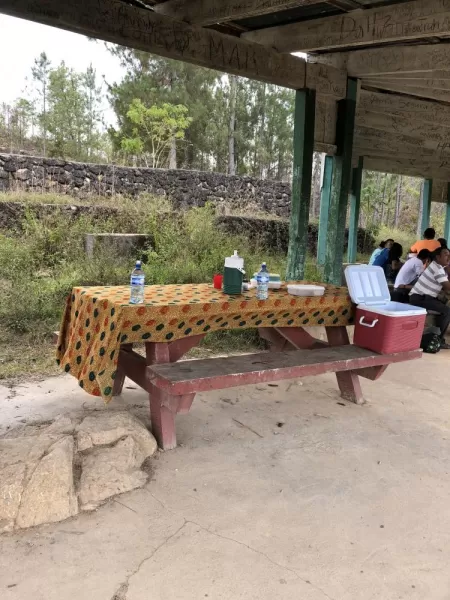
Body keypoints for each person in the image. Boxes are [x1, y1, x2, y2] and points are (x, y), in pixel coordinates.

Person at [409, 246, 450, 348]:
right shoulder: (437, 268)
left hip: (423, 297)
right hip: (420, 298)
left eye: (449, 255)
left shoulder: (438, 267)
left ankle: (436, 335)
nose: (448, 258)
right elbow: (447, 287)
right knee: (447, 311)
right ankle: (439, 340)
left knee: (443, 306)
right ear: (438, 257)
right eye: (446, 255)